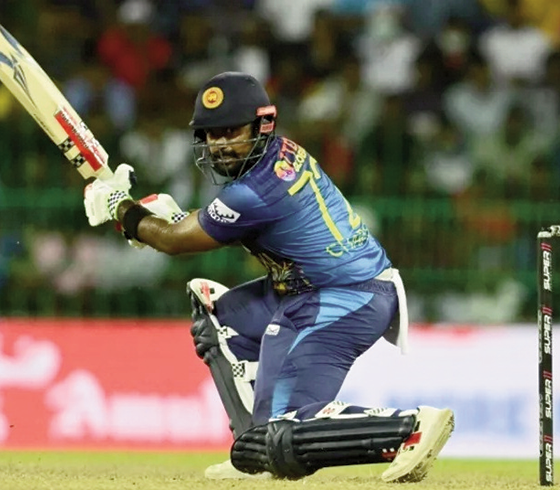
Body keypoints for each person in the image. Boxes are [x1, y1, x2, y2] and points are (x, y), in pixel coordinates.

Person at [83, 72, 454, 482]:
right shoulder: (277, 156)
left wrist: (122, 210)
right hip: (306, 288)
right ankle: (254, 452)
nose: (219, 144)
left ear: (262, 126)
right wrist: (161, 218)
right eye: (211, 134)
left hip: (343, 297)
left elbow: (174, 241)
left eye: (231, 131)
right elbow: (203, 225)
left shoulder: (254, 191)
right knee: (216, 319)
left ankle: (407, 428)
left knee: (285, 429)